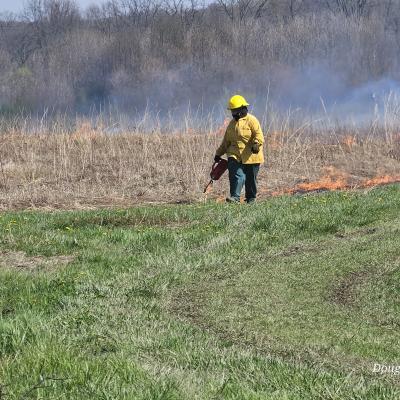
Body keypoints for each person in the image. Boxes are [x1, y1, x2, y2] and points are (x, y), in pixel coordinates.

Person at [214, 95, 264, 203]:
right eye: (232, 110)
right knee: (237, 174)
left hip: (251, 156)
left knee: (251, 180)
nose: (233, 113)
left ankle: (251, 200)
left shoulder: (252, 120)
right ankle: (235, 197)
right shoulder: (231, 125)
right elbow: (226, 142)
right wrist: (218, 154)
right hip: (235, 155)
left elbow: (259, 135)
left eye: (235, 110)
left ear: (242, 109)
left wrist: (256, 144)